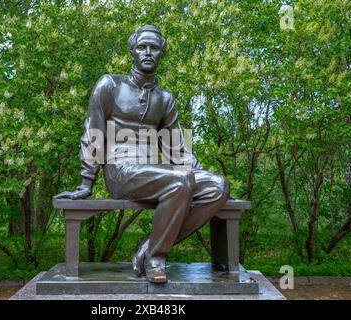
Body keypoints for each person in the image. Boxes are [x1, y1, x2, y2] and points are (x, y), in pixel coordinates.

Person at [55, 25, 230, 283]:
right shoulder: (110, 85)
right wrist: (86, 181)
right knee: (181, 181)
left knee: (217, 186)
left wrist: (203, 174)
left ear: (162, 55)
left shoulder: (165, 99)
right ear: (132, 52)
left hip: (157, 174)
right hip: (120, 171)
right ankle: (156, 258)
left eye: (154, 48)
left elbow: (177, 150)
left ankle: (148, 246)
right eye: (142, 47)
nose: (148, 52)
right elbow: (94, 131)